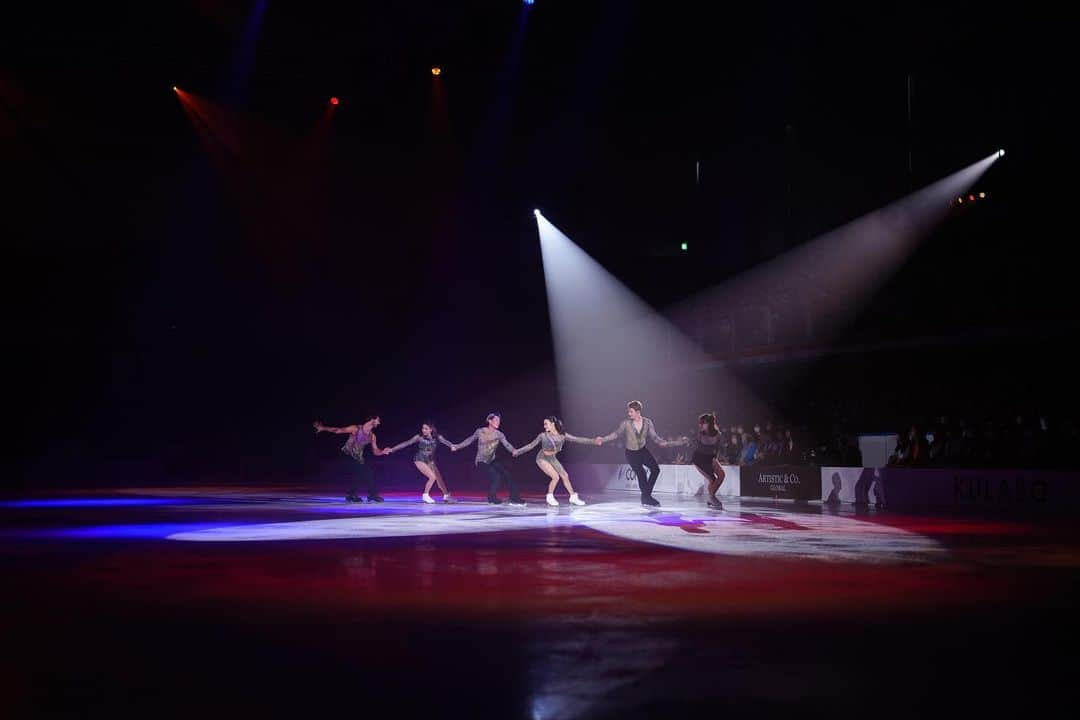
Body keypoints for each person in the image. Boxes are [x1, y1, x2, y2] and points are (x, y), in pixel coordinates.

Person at [597, 401, 687, 507]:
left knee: (655, 469)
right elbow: (616, 434)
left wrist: (661, 442)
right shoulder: (626, 423)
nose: (629, 414)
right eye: (629, 412)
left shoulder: (648, 422)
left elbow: (654, 437)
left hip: (642, 451)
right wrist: (603, 439)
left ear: (638, 412)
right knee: (642, 474)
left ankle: (646, 496)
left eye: (631, 412)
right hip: (631, 453)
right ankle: (647, 498)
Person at [512, 416, 595, 506]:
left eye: (546, 424)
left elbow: (578, 439)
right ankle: (550, 497)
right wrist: (518, 451)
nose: (544, 426)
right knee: (555, 477)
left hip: (552, 458)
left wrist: (593, 441)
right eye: (544, 424)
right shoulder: (543, 436)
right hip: (542, 458)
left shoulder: (562, 435)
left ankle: (573, 497)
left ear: (552, 424)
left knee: (565, 475)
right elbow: (530, 446)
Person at [450, 413, 525, 506]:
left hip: (492, 460)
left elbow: (507, 444)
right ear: (489, 421)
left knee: (508, 475)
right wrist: (457, 447)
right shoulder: (480, 431)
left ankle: (514, 497)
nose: (498, 422)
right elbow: (469, 440)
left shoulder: (499, 434)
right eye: (496, 420)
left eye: (499, 421)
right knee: (496, 477)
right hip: (481, 461)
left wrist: (513, 450)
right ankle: (491, 498)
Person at [313, 416, 386, 502]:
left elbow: (375, 451)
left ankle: (371, 495)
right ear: (371, 419)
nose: (379, 423)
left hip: (357, 458)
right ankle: (353, 495)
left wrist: (383, 451)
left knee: (368, 471)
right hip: (346, 455)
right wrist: (323, 428)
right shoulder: (355, 429)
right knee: (359, 470)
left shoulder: (372, 436)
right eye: (378, 420)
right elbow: (338, 430)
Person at [385, 421, 456, 504]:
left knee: (439, 479)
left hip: (430, 460)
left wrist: (452, 446)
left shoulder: (437, 437)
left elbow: (446, 442)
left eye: (426, 429)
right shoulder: (419, 437)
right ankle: (425, 495)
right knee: (432, 477)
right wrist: (393, 449)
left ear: (431, 430)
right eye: (423, 428)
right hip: (419, 459)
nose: (423, 430)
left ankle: (446, 496)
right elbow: (406, 443)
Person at [690, 413, 726, 509]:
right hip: (699, 459)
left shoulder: (718, 435)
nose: (700, 425)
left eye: (703, 423)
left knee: (722, 475)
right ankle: (712, 498)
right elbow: (689, 444)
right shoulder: (699, 435)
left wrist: (717, 458)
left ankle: (711, 498)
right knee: (712, 479)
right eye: (700, 423)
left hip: (711, 457)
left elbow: (719, 449)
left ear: (709, 423)